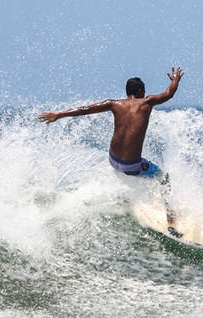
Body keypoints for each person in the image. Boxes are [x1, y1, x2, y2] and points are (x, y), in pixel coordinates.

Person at [38, 66, 184, 230]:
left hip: (114, 161)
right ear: (141, 90)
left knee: (138, 170)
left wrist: (59, 115)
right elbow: (169, 94)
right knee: (164, 179)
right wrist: (175, 80)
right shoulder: (146, 102)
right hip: (132, 165)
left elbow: (86, 109)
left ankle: (142, 198)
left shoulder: (114, 104)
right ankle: (172, 223)